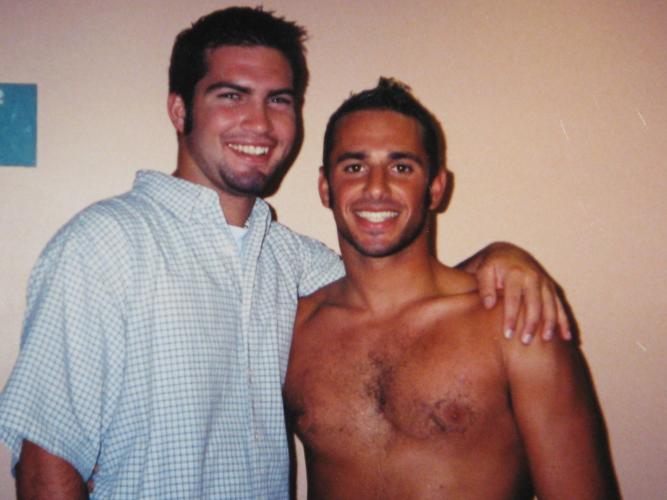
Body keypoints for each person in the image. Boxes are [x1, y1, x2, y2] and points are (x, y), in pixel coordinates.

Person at [0, 8, 569, 500]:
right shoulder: (105, 245)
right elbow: (46, 463)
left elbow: (398, 292)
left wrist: (502, 257)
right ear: (179, 110)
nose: (259, 122)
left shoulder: (293, 262)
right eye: (231, 96)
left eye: (279, 100)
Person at [283, 78, 619, 499]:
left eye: (401, 167)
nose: (376, 187)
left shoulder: (513, 322)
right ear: (325, 187)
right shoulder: (294, 331)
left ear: (436, 188)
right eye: (354, 167)